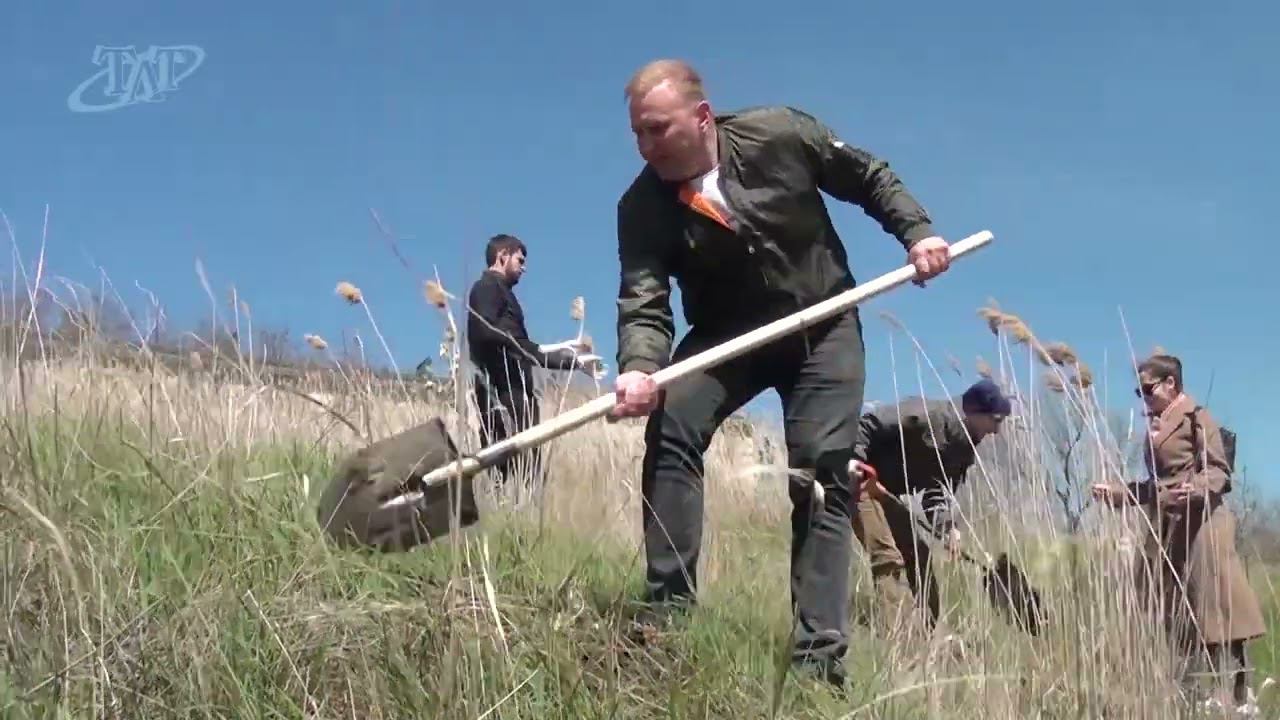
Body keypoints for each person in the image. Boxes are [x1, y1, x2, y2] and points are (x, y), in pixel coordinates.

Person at [608, 58, 954, 686]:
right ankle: (667, 617)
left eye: (657, 129)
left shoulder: (778, 134)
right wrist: (639, 368)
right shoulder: (642, 207)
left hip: (821, 321)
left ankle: (818, 663)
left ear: (701, 117)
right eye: (637, 133)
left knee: (823, 473)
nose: (645, 146)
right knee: (670, 424)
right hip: (728, 336)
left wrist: (918, 233)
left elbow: (868, 176)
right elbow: (644, 299)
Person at [1091, 354, 1266, 712]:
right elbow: (1159, 485)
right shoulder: (1155, 423)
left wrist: (1200, 486)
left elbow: (1219, 471)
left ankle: (1238, 694)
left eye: (1148, 389)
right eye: (1138, 392)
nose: (1143, 398)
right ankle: (1192, 690)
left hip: (1203, 524)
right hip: (1168, 526)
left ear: (1171, 384)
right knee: (1172, 608)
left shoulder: (1197, 417)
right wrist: (1120, 494)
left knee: (1218, 609)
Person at [847, 379, 1010, 643]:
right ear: (974, 413)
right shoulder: (924, 414)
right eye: (995, 420)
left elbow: (936, 489)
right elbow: (868, 423)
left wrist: (948, 528)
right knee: (887, 556)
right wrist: (855, 460)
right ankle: (901, 642)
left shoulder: (965, 446)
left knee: (919, 554)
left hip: (887, 493)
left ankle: (933, 637)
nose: (997, 430)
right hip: (859, 482)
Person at [467, 233, 598, 490]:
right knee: (505, 471)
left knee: (528, 471)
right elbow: (484, 332)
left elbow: (524, 348)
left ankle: (520, 524)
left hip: (517, 395)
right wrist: (552, 353)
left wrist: (573, 361)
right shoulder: (486, 288)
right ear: (502, 255)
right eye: (520, 259)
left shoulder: (502, 293)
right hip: (499, 393)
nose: (524, 267)